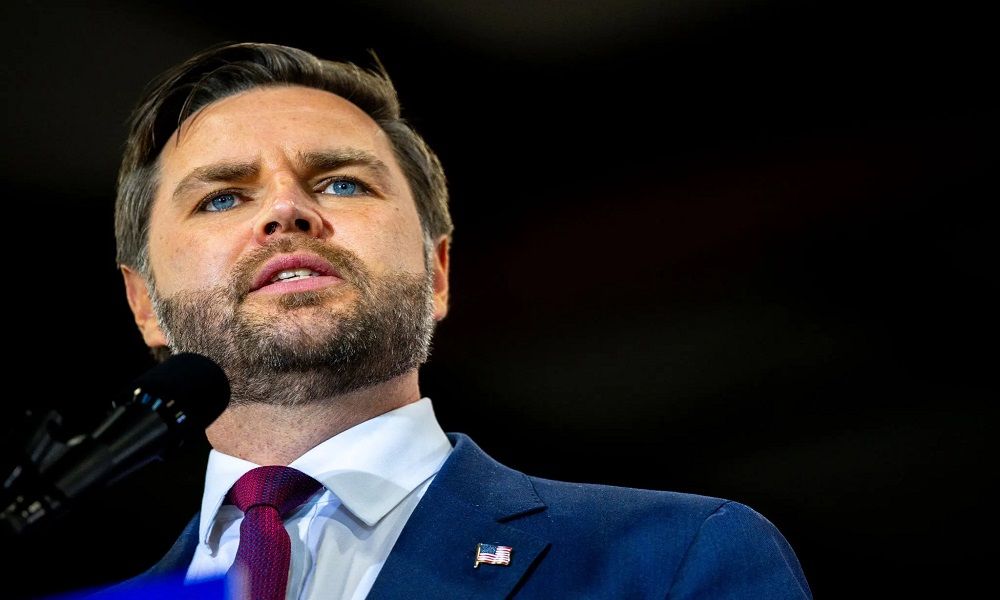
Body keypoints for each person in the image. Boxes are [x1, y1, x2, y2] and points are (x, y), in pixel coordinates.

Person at [105, 41, 813, 599]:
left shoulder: (671, 559)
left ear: (437, 271)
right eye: (223, 198)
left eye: (342, 183)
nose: (287, 210)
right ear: (144, 303)